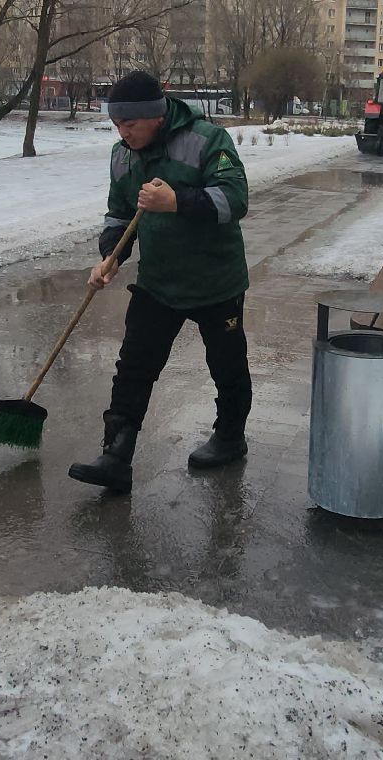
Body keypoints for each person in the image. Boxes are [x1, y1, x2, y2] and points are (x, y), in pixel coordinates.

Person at [69, 71, 252, 494]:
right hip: (159, 282)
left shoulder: (206, 140)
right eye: (116, 124)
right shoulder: (122, 156)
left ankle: (229, 437)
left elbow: (236, 198)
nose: (122, 132)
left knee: (226, 365)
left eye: (129, 123)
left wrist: (177, 200)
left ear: (155, 115)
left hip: (215, 281)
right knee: (134, 365)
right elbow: (119, 214)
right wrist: (110, 256)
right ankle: (117, 455)